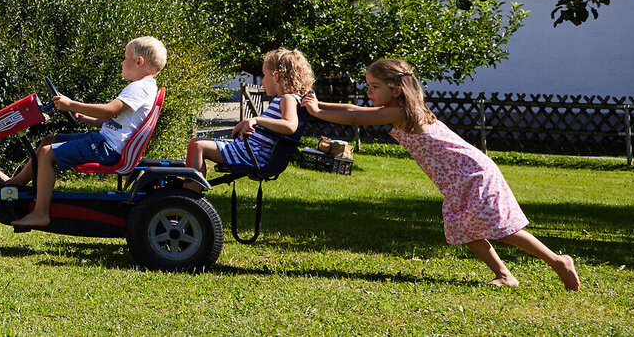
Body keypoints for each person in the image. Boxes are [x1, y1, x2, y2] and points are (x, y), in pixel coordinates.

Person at [304, 58, 582, 290]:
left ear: (396, 90)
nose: (369, 92)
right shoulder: (399, 108)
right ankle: (504, 275)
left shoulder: (400, 112)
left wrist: (316, 111)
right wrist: (318, 105)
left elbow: (355, 117)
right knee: (463, 227)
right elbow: (354, 109)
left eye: (374, 86)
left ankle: (558, 261)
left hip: (472, 173)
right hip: (459, 178)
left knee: (501, 229)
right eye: (368, 86)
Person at [0, 36, 165, 227]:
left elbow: (109, 111)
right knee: (49, 141)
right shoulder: (145, 87)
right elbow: (111, 122)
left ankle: (40, 213)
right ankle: (15, 184)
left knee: (47, 153)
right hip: (103, 142)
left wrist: (71, 104)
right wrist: (81, 116)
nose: (122, 62)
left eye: (125, 58)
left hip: (106, 148)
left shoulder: (139, 88)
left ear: (139, 61)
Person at [187, 48, 308, 182]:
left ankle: (189, 192)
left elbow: (290, 126)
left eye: (265, 75)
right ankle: (189, 189)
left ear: (277, 76)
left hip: (252, 155)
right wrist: (248, 122)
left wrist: (256, 120)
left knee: (198, 146)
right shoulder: (284, 99)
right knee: (196, 142)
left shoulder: (287, 99)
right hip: (248, 151)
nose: (262, 80)